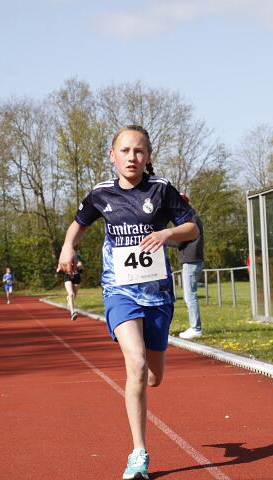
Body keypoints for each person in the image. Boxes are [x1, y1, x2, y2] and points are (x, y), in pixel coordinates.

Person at [56, 125, 198, 480]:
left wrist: (167, 233)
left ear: (147, 156)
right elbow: (78, 225)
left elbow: (192, 228)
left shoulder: (161, 189)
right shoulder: (100, 194)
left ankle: (146, 379)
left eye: (138, 151)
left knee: (153, 377)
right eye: (124, 150)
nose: (131, 157)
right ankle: (139, 453)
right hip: (119, 290)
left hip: (157, 294)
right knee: (135, 364)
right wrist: (68, 247)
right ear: (112, 155)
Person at [175, 194, 204, 340]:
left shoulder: (190, 220)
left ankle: (196, 328)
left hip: (191, 261)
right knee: (190, 295)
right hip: (191, 261)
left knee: (190, 296)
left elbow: (180, 240)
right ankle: (194, 327)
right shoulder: (192, 218)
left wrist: (161, 239)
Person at [63, 252, 83, 321]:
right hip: (68, 276)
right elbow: (62, 266)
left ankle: (69, 299)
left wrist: (77, 265)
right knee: (71, 294)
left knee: (73, 296)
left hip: (76, 277)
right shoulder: (65, 255)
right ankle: (72, 313)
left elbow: (81, 266)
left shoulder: (77, 255)